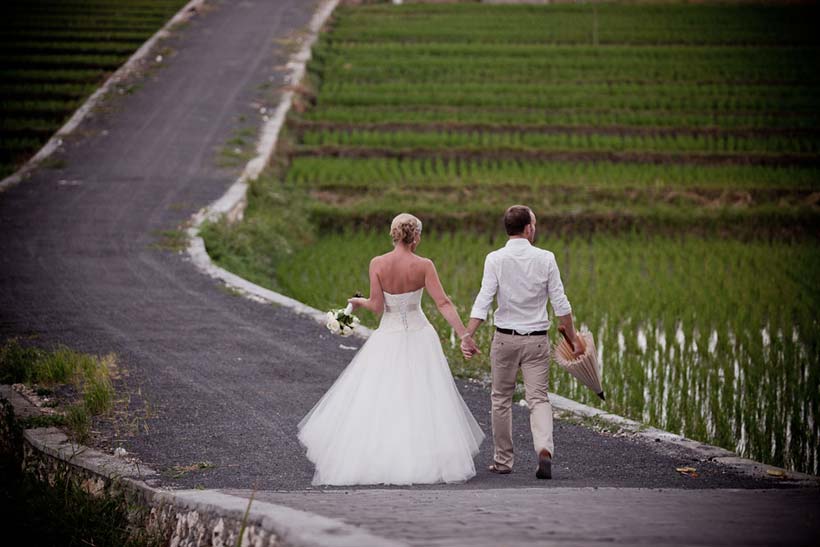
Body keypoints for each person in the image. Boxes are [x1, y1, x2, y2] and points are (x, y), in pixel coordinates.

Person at [297, 213, 484, 486]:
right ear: (415, 237)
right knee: (424, 396)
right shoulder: (424, 265)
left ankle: (381, 457)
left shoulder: (378, 263)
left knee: (382, 396)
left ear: (393, 234)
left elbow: (377, 307)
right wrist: (464, 335)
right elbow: (443, 303)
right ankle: (424, 457)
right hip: (420, 335)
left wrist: (356, 303)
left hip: (388, 335)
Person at [461, 205, 584, 480]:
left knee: (501, 399)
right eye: (535, 225)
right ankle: (543, 450)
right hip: (536, 342)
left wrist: (468, 334)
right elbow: (560, 302)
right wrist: (573, 339)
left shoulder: (494, 258)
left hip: (504, 340)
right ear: (528, 228)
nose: (535, 229)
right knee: (538, 398)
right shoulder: (546, 258)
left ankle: (503, 461)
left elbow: (484, 299)